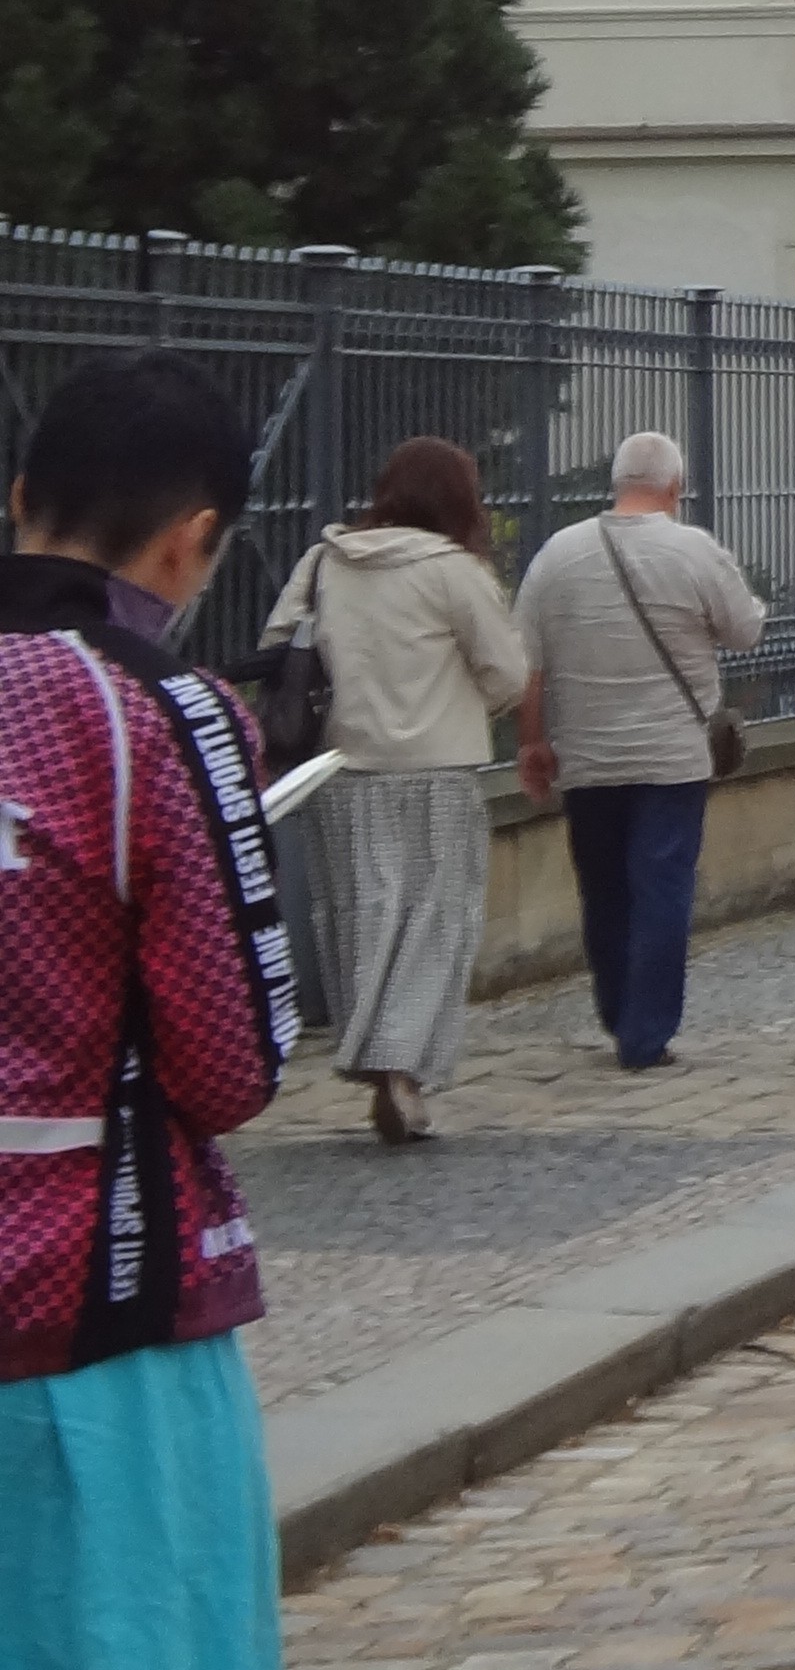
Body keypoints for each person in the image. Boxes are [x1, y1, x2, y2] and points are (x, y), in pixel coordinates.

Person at [0, 353, 300, 1670]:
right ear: (191, 543)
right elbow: (231, 1056)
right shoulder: (162, 710)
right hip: (99, 1294)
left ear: (20, 498)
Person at [254, 435, 529, 1145]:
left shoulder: (325, 561)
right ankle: (400, 1068)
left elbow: (278, 646)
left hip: (341, 771)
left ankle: (372, 1051)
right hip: (437, 770)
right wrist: (462, 704)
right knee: (433, 920)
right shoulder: (455, 572)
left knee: (360, 917)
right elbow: (507, 672)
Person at [511, 432, 765, 1074]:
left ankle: (617, 1009)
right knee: (662, 887)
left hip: (587, 756)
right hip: (672, 755)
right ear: (675, 488)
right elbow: (745, 630)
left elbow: (528, 667)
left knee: (604, 889)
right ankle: (645, 1033)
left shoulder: (556, 555)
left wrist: (533, 742)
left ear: (617, 482)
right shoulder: (695, 550)